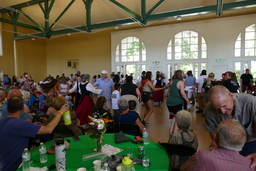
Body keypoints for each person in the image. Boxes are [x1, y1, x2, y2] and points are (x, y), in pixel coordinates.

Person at [0, 95, 69, 171]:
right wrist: (60, 112)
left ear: (7, 108)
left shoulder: (2, 121)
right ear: (23, 108)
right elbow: (48, 129)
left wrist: (32, 127)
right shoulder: (22, 124)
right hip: (15, 166)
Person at [181, 119, 254, 171]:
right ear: (244, 142)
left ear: (215, 138)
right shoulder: (252, 164)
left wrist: (209, 150)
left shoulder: (201, 157)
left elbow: (183, 168)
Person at [204, 85, 256, 156]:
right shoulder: (209, 108)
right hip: (226, 145)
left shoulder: (252, 103)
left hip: (251, 143)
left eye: (224, 106)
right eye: (217, 108)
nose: (222, 111)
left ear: (231, 96)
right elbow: (212, 129)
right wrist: (216, 143)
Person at [166, 70, 190, 134]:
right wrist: (187, 100)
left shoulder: (172, 81)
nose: (184, 74)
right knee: (178, 118)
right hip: (176, 102)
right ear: (180, 74)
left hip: (169, 102)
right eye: (183, 73)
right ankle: (175, 133)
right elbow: (182, 93)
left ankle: (171, 131)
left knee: (175, 116)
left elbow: (167, 87)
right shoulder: (181, 82)